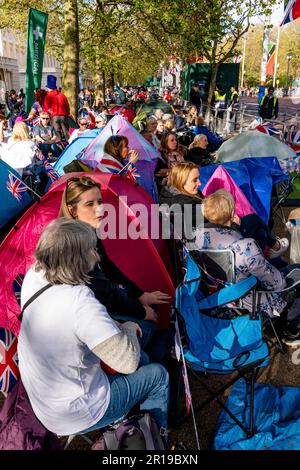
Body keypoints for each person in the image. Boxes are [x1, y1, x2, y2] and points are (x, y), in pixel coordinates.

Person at [18, 218, 169, 438]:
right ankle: (152, 441)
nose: (97, 256)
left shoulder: (34, 276)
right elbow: (126, 362)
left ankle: (127, 420)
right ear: (77, 260)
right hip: (77, 411)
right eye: (91, 250)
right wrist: (127, 327)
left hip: (45, 402)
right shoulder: (79, 300)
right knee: (157, 375)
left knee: (144, 360)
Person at [59, 176, 171, 358]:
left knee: (153, 311)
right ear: (73, 210)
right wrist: (141, 311)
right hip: (90, 322)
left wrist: (141, 295)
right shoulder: (75, 244)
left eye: (100, 202)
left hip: (102, 308)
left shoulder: (88, 232)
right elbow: (105, 290)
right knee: (150, 328)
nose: (100, 209)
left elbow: (109, 268)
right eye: (90, 204)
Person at [195, 189, 300, 345]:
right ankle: (291, 330)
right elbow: (277, 284)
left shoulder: (196, 236)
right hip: (251, 298)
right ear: (231, 214)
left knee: (282, 263)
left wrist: (235, 230)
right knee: (296, 271)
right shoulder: (245, 246)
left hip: (223, 295)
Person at [159, 162, 289, 257]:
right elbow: (209, 228)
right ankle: (273, 248)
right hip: (212, 249)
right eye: (195, 180)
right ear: (181, 182)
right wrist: (231, 223)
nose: (199, 183)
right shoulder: (186, 205)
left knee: (260, 233)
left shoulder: (174, 195)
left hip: (210, 239)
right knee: (254, 221)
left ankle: (266, 255)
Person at [43, 75, 71, 141]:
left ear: (49, 88)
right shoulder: (62, 95)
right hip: (64, 116)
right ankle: (70, 144)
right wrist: (67, 113)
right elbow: (67, 106)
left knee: (56, 134)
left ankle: (59, 148)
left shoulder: (48, 96)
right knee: (66, 133)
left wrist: (49, 115)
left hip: (54, 116)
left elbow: (46, 108)